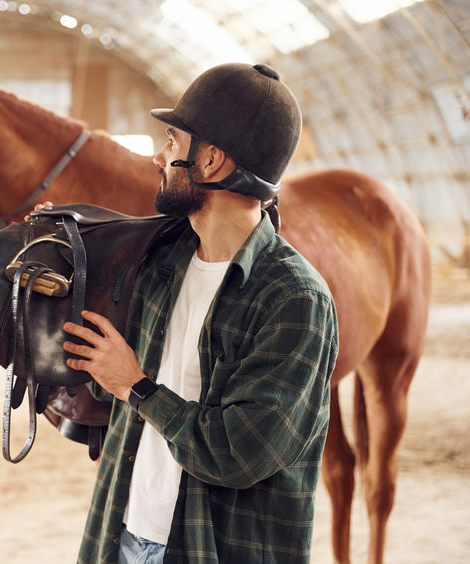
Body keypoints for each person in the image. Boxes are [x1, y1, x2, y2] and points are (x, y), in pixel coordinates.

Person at [62, 63, 339, 563]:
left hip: (209, 549)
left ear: (210, 160)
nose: (158, 157)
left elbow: (239, 453)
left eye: (172, 142)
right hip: (121, 533)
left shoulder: (295, 300)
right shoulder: (156, 265)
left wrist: (136, 386)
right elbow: (107, 390)